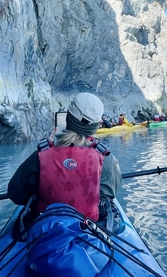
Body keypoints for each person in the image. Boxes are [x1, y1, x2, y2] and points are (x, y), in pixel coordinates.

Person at [8, 93, 122, 222]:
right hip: (89, 230)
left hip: (45, 229)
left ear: (68, 119)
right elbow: (109, 194)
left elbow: (15, 195)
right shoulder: (107, 159)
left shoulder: (41, 155)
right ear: (95, 127)